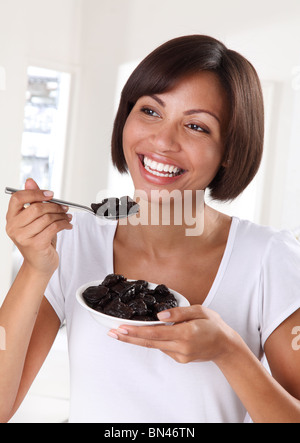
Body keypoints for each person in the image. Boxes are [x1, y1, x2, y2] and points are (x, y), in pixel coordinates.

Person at [1, 35, 300, 423]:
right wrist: (36, 267)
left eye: (196, 126)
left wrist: (230, 353)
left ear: (229, 151)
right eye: (151, 111)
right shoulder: (74, 240)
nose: (162, 140)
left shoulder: (269, 259)